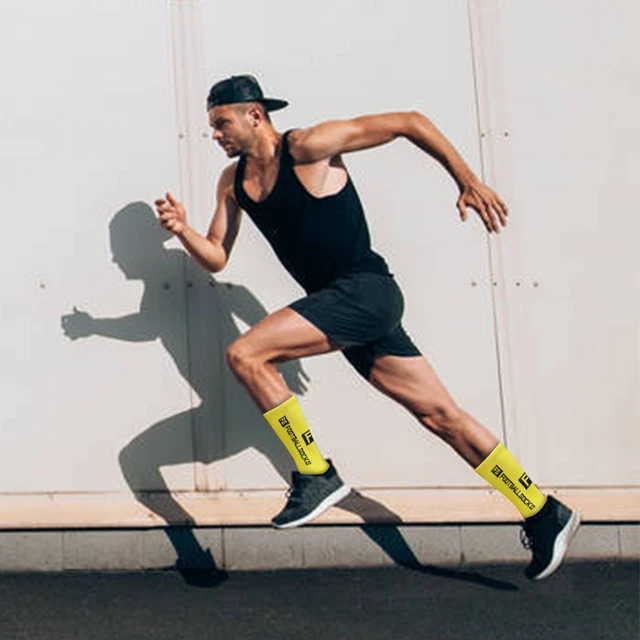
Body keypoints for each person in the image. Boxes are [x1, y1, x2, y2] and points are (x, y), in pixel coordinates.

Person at [154, 74, 580, 580]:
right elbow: (218, 256)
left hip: (365, 290)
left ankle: (314, 472)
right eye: (211, 126)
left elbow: (409, 122)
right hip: (344, 307)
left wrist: (466, 179)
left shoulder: (309, 146)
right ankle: (541, 509)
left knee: (246, 354)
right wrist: (183, 231)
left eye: (221, 122)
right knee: (441, 415)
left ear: (254, 114)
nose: (215, 134)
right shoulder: (233, 181)